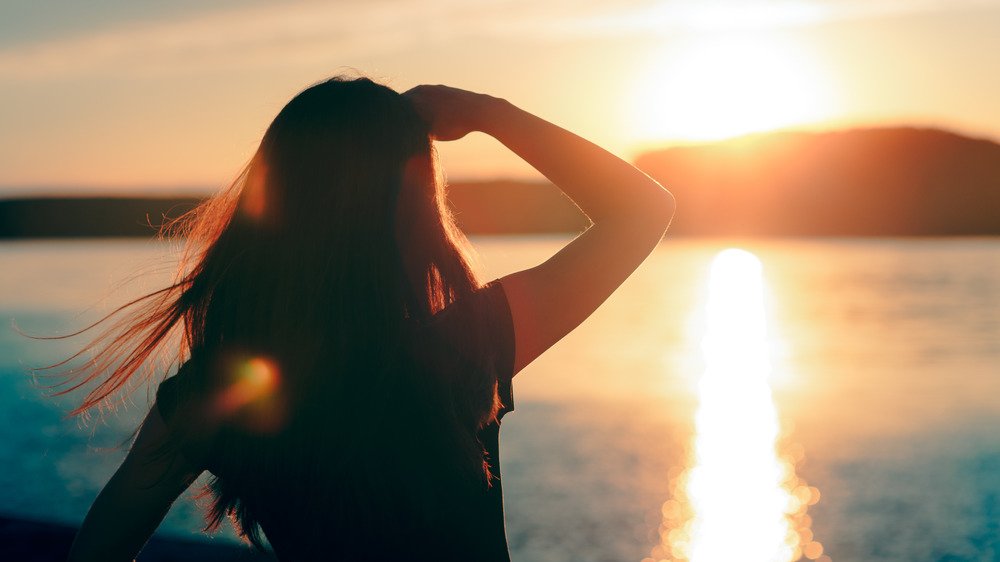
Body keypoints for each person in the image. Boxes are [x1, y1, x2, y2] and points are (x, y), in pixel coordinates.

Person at [63, 76, 674, 561]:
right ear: (412, 216)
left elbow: (97, 552)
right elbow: (642, 209)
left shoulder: (211, 397)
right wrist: (489, 112)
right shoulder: (462, 350)